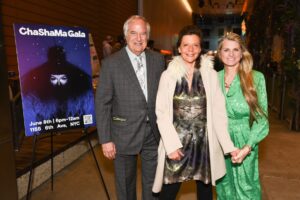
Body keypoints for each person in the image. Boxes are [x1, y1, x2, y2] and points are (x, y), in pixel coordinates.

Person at [152, 25, 239, 200]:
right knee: (168, 192)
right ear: (179, 48)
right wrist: (171, 145)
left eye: (195, 45)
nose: (190, 50)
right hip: (176, 144)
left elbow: (219, 114)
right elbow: (161, 112)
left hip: (204, 143)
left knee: (205, 192)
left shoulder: (210, 75)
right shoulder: (168, 76)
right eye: (186, 45)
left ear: (200, 49)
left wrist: (228, 146)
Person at [95, 15, 165, 200]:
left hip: (153, 133)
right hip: (122, 134)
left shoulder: (158, 60)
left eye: (143, 33)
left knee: (154, 185)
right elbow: (102, 102)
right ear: (126, 35)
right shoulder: (111, 63)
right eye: (134, 33)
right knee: (125, 186)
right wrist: (105, 139)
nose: (139, 38)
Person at [216, 32, 269, 200]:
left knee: (247, 189)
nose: (231, 54)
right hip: (220, 142)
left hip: (246, 140)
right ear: (219, 53)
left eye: (235, 49)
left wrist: (248, 147)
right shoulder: (212, 79)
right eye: (226, 50)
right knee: (224, 188)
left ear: (242, 52)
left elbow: (262, 119)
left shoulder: (255, 78)